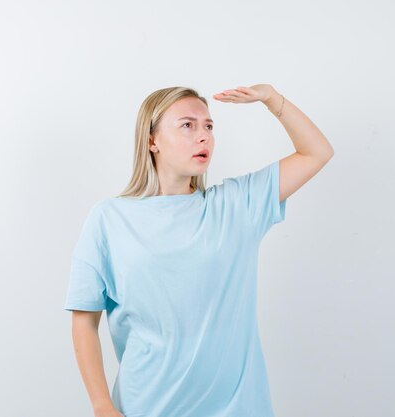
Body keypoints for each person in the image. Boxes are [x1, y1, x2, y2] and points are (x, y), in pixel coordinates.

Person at [63, 84, 334, 417]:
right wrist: (101, 404)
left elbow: (316, 152)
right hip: (144, 408)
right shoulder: (109, 219)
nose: (203, 136)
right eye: (187, 125)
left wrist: (271, 99)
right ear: (152, 140)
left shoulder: (236, 206)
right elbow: (84, 320)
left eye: (208, 126)